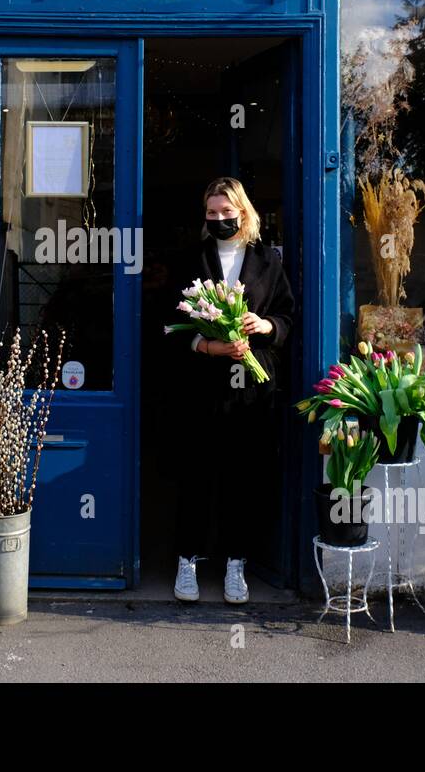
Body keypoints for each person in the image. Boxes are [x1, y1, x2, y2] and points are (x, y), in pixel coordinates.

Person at [174, 177, 295, 603]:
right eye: (212, 213)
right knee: (197, 473)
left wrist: (265, 326)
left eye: (227, 212)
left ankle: (235, 564)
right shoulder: (192, 258)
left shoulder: (267, 261)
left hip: (252, 389)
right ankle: (187, 560)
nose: (220, 219)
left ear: (243, 212)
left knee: (243, 475)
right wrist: (207, 345)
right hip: (202, 387)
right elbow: (169, 324)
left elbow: (287, 317)